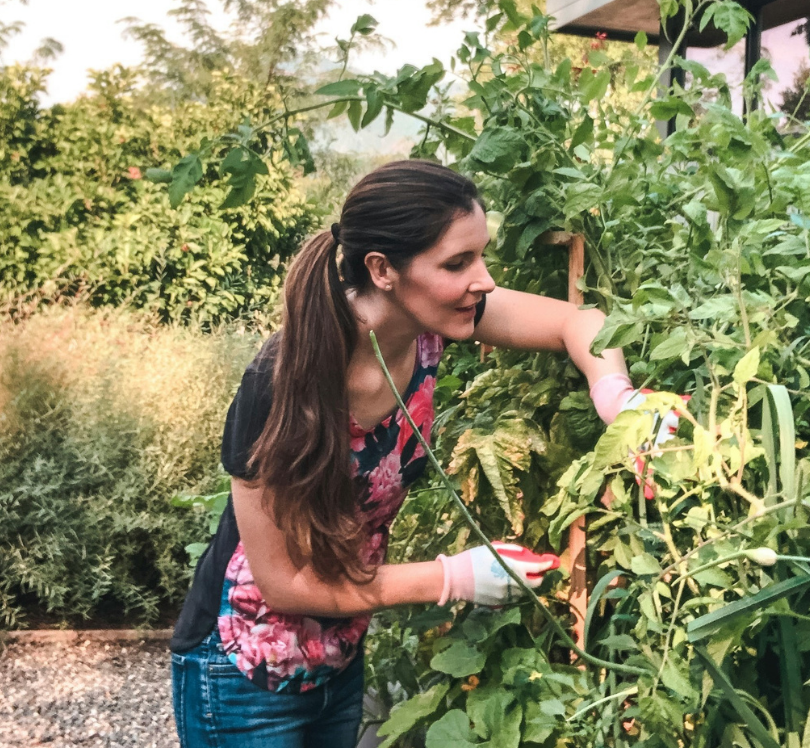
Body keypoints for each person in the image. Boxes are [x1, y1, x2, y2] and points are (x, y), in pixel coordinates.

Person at [169, 159, 653, 748]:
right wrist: (450, 577)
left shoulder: (435, 324)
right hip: (243, 664)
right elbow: (285, 584)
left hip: (338, 652)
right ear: (382, 270)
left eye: (481, 255)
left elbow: (582, 322)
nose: (485, 280)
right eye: (457, 263)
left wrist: (617, 397)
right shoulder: (283, 382)